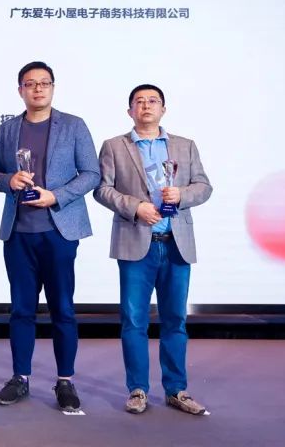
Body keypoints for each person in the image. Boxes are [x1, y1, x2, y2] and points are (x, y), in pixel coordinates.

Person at [93, 84, 213, 415]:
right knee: (134, 321)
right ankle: (137, 390)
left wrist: (182, 195)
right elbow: (102, 190)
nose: (146, 106)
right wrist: (136, 207)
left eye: (152, 101)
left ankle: (176, 389)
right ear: (130, 110)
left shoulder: (185, 145)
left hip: (176, 244)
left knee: (175, 320)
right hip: (136, 243)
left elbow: (204, 186)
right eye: (139, 101)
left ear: (163, 109)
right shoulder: (114, 146)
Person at [0, 61, 100, 410]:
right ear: (20, 90)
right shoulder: (8, 129)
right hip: (18, 233)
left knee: (62, 309)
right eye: (30, 83)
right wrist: (8, 181)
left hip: (59, 232)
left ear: (53, 87)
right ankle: (20, 378)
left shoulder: (74, 125)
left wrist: (57, 196)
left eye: (44, 83)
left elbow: (92, 173)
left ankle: (65, 380)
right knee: (21, 310)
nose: (38, 89)